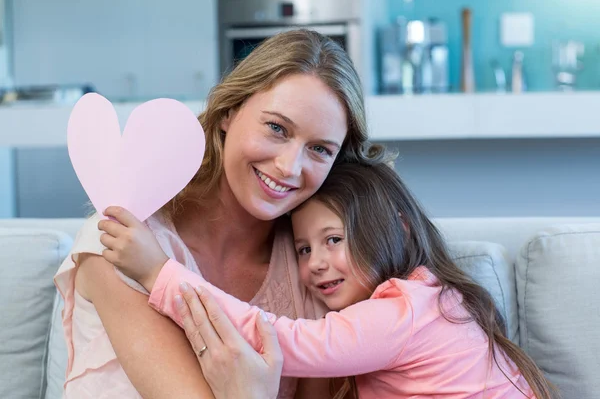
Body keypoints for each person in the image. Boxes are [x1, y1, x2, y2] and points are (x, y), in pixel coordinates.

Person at [53, 29, 381, 399]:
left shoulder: (316, 265)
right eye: (276, 128)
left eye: (320, 149)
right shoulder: (121, 239)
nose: (290, 167)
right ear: (228, 112)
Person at [99, 161, 556, 399]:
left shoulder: (403, 312)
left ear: (398, 229)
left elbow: (280, 340)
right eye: (303, 249)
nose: (316, 263)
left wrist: (158, 273)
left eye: (332, 239)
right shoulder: (434, 296)